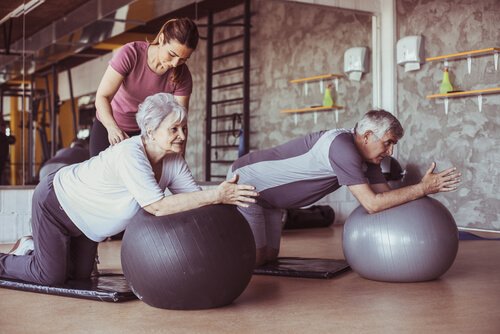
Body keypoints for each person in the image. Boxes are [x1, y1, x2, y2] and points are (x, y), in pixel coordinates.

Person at [0, 93, 258, 286]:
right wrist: (216, 194)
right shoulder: (130, 153)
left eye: (184, 128)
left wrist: (227, 197)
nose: (181, 135)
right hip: (57, 203)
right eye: (173, 129)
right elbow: (156, 206)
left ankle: (33, 247)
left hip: (88, 228)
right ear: (151, 131)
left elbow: (193, 199)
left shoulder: (173, 161)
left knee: (77, 277)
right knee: (50, 276)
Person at [228, 109, 461, 266]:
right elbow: (372, 204)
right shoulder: (342, 147)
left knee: (269, 256)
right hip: (247, 182)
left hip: (271, 201)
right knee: (256, 258)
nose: (391, 151)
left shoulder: (368, 159)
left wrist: (424, 187)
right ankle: (216, 261)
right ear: (368, 136)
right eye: (388, 143)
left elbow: (385, 197)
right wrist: (422, 188)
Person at [90, 17, 199, 157]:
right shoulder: (131, 54)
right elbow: (102, 97)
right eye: (172, 54)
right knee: (101, 176)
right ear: (161, 39)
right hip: (109, 124)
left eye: (183, 59)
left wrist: (179, 158)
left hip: (145, 133)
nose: (175, 63)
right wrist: (112, 127)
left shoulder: (183, 76)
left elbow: (179, 120)